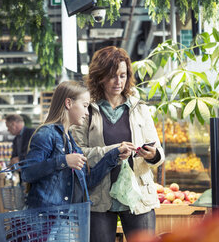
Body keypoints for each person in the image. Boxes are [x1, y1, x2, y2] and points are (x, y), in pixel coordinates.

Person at [71, 46, 165, 241]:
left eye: (123, 75)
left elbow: (159, 153)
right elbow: (78, 153)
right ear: (100, 77)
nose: (118, 82)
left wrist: (153, 154)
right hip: (99, 196)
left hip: (138, 194)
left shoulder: (140, 108)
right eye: (112, 76)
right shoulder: (88, 110)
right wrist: (113, 151)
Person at [21, 80, 135, 209]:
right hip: (46, 221)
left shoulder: (70, 141)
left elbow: (87, 181)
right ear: (68, 103)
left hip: (67, 219)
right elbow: (27, 173)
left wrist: (115, 154)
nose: (87, 113)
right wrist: (63, 161)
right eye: (85, 105)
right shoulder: (47, 134)